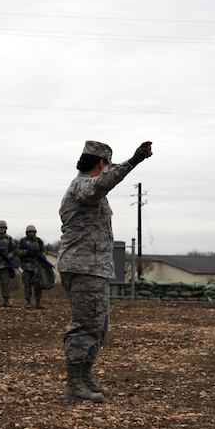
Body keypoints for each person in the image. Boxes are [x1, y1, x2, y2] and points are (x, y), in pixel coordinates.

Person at [58, 140, 153, 403]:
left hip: (92, 267)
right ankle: (74, 384)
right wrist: (134, 160)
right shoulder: (83, 186)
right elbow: (102, 183)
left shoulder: (86, 188)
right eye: (107, 166)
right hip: (83, 267)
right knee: (85, 325)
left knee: (98, 325)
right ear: (102, 164)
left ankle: (84, 377)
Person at [17, 225, 46, 309]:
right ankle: (28, 302)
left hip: (37, 266)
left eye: (32, 232)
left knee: (38, 285)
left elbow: (43, 252)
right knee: (27, 285)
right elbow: (17, 251)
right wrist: (27, 252)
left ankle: (38, 302)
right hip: (26, 266)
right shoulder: (23, 241)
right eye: (29, 232)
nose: (31, 233)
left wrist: (40, 255)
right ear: (27, 233)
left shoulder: (39, 241)